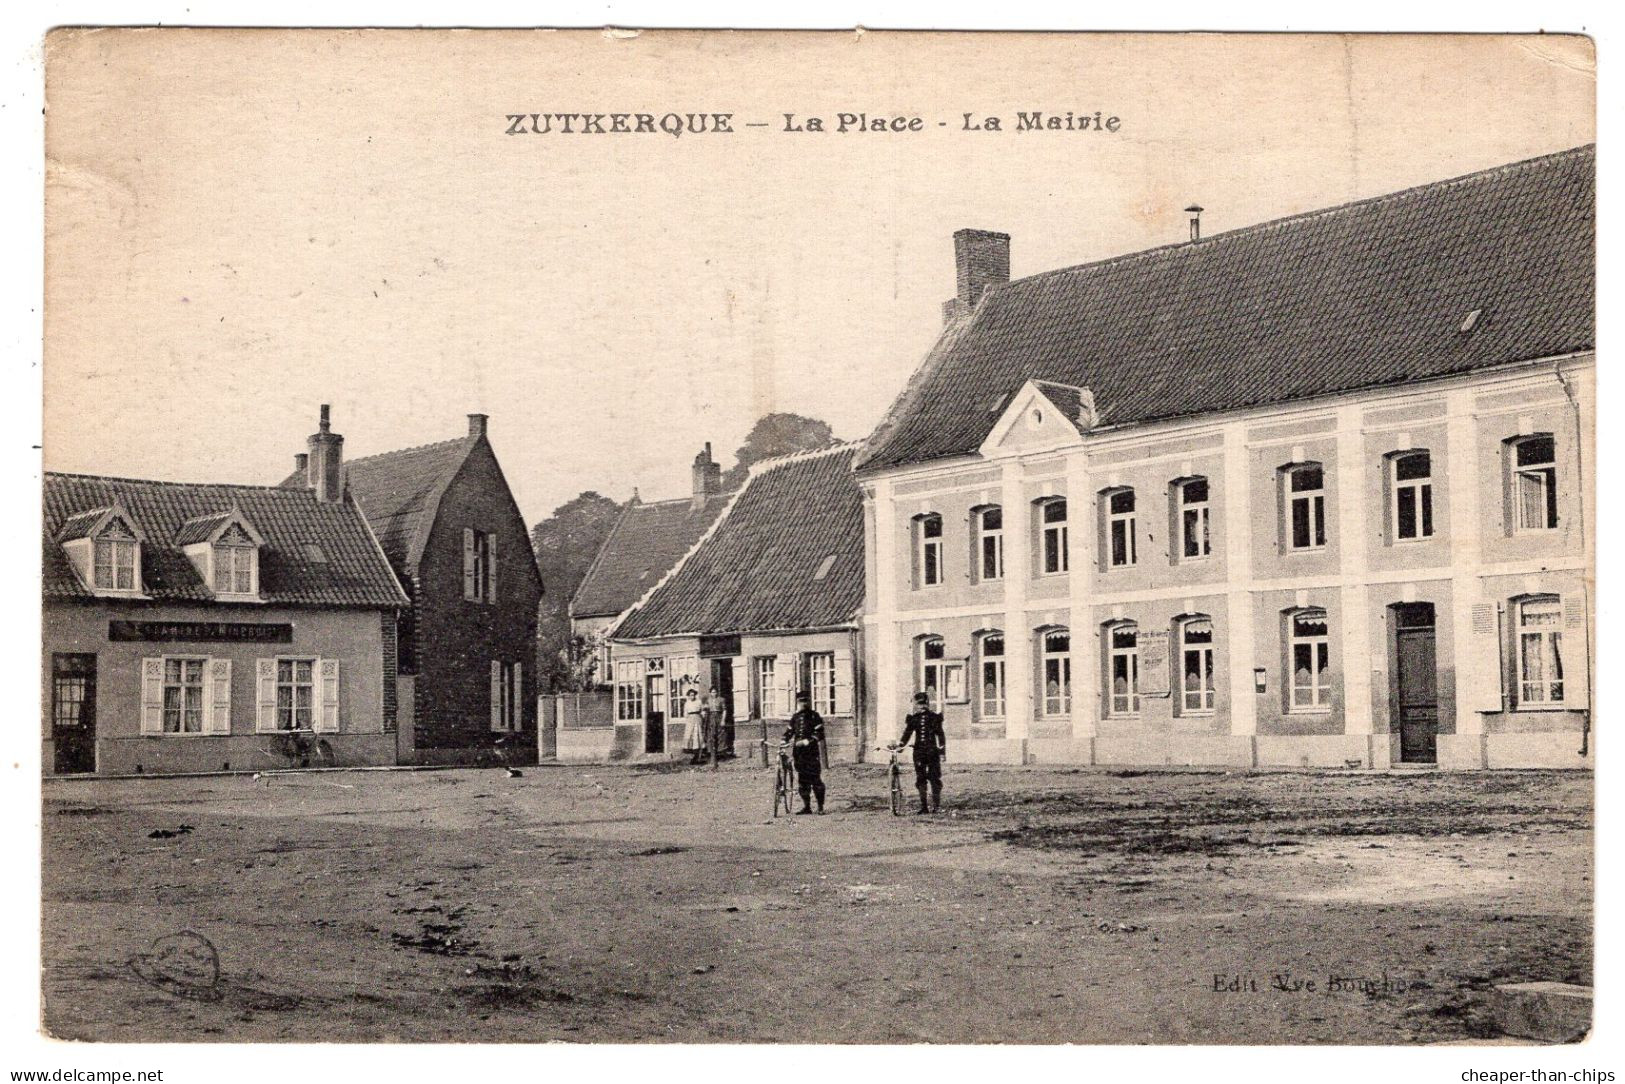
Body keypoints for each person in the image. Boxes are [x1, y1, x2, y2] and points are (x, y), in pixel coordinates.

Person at [897, 691, 947, 814]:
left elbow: (940, 735)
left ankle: (936, 806)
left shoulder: (934, 717)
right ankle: (924, 806)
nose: (920, 706)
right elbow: (907, 733)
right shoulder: (914, 719)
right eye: (919, 704)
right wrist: (901, 746)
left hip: (932, 752)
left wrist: (942, 752)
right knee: (921, 778)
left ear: (927, 704)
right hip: (919, 752)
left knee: (934, 778)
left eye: (922, 704)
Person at [783, 691, 827, 814]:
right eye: (801, 701)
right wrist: (783, 741)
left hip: (811, 753)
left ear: (810, 702)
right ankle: (807, 807)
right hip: (799, 754)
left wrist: (806, 741)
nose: (804, 704)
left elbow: (820, 734)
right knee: (802, 780)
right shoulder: (795, 718)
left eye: (806, 701)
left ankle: (820, 807)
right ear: (797, 703)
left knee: (815, 780)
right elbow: (789, 732)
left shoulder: (815, 716)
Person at [681, 687, 705, 764]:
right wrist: (687, 719)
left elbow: (702, 711)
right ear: (688, 696)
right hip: (690, 720)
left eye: (693, 695)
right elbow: (685, 713)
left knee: (697, 734)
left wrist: (702, 718)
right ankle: (691, 755)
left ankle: (698, 754)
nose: (692, 697)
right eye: (691, 695)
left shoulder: (699, 702)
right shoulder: (687, 703)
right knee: (689, 735)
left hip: (697, 718)